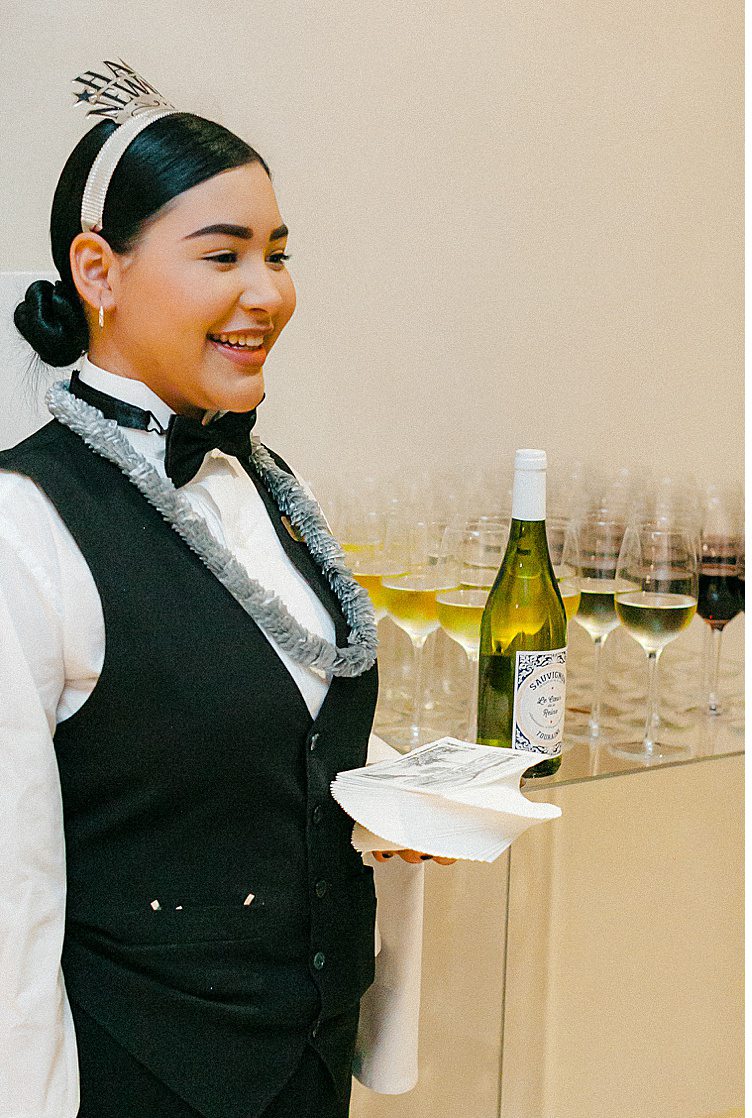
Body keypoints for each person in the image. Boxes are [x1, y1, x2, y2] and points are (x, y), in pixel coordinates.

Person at [1, 65, 435, 1118]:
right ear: (97, 272)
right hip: (135, 1076)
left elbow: (248, 727)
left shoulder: (272, 480)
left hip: (307, 1064)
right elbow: (10, 892)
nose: (269, 292)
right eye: (224, 254)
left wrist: (384, 790)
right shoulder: (23, 527)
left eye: (278, 252)